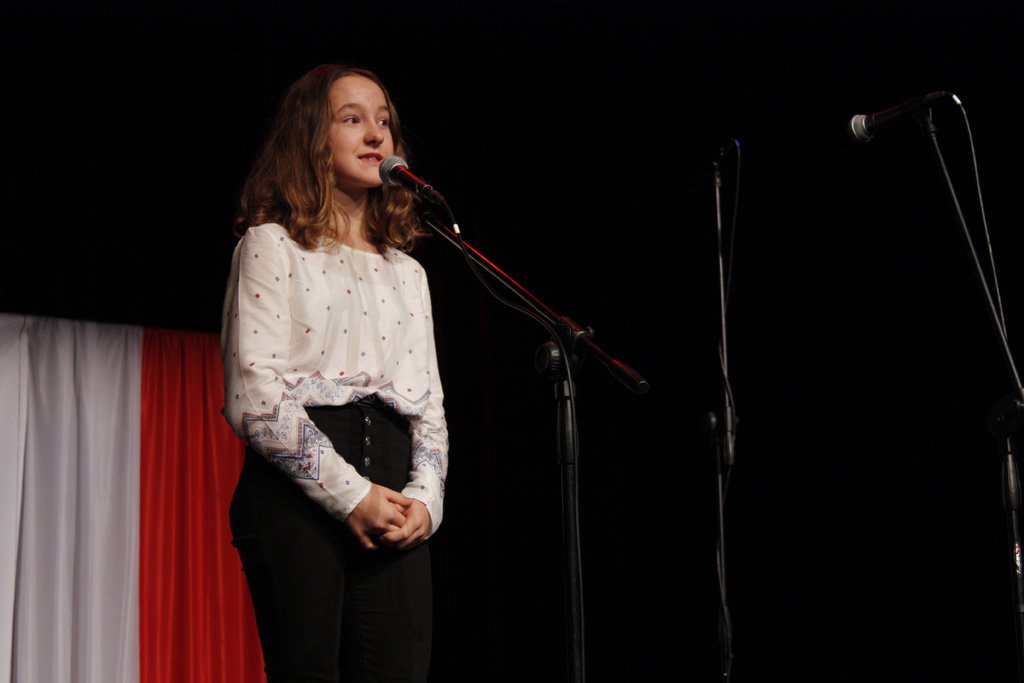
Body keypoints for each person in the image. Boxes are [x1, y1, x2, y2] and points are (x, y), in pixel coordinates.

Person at [220, 63, 448, 682]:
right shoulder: (271, 246)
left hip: (395, 493)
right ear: (311, 137)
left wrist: (425, 501)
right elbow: (255, 395)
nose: (375, 134)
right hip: (299, 492)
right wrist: (351, 496)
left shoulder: (408, 272)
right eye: (352, 119)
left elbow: (428, 407)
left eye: (384, 122)